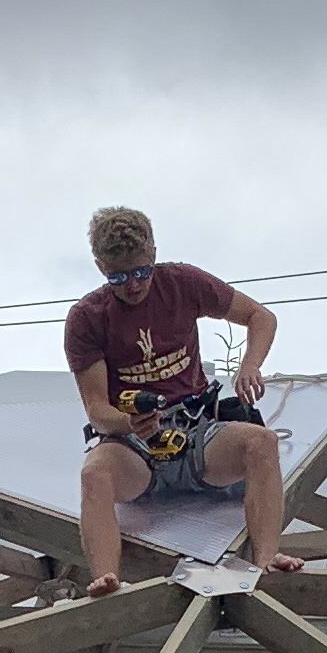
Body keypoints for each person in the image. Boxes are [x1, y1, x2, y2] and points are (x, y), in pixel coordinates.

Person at [67, 205, 298, 592]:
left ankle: (266, 558)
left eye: (141, 272)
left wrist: (250, 366)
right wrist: (130, 424)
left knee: (262, 442)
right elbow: (97, 410)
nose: (133, 285)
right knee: (95, 473)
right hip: (134, 443)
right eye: (118, 277)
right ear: (100, 268)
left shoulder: (181, 282)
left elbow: (260, 316)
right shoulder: (87, 318)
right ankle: (107, 579)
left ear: (154, 254)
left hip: (196, 432)